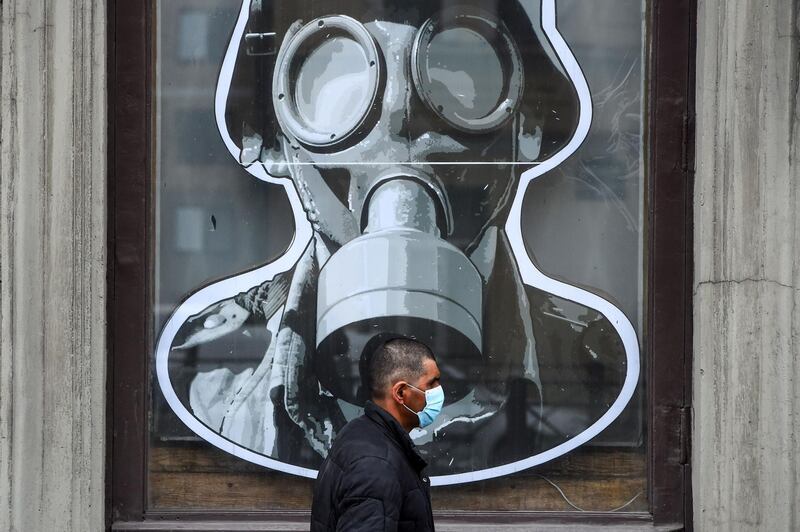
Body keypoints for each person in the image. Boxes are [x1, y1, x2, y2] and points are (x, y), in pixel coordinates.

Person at [310, 338, 442, 531]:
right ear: (401, 393)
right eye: (431, 384)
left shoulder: (362, 433)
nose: (439, 391)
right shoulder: (375, 466)